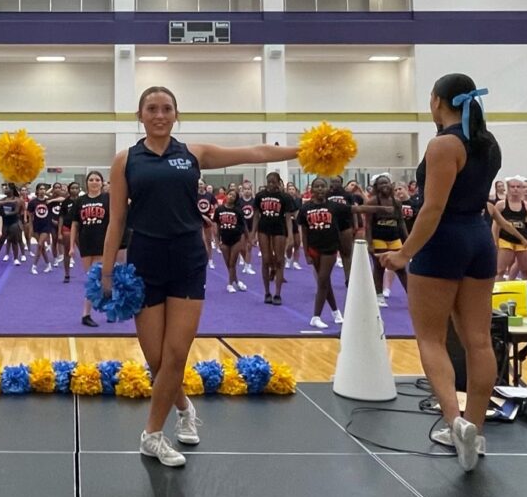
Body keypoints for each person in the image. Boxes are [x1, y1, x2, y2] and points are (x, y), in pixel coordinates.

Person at [100, 86, 303, 468]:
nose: (159, 115)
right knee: (158, 360)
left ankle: (152, 435)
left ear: (177, 114)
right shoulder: (125, 159)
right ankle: (184, 408)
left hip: (188, 258)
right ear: (139, 115)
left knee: (177, 353)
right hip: (144, 261)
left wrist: (302, 152)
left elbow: (256, 153)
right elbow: (117, 221)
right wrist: (107, 271)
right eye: (151, 108)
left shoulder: (193, 154)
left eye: (167, 108)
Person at [380, 73, 502, 472]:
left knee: (431, 339)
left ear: (437, 101)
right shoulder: (488, 143)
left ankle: (454, 422)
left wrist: (402, 255)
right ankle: (477, 428)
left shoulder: (443, 144)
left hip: (444, 241)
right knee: (479, 341)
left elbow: (432, 209)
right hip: (480, 239)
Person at [298, 177, 350, 328]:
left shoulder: (333, 206)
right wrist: (306, 253)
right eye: (317, 186)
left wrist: (380, 209)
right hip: (314, 249)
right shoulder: (305, 208)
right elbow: (305, 233)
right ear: (312, 190)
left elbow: (355, 209)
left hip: (330, 248)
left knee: (322, 280)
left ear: (327, 189)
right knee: (325, 282)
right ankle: (336, 312)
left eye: (323, 186)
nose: (320, 189)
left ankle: (316, 316)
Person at [71, 170, 116, 327]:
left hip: (102, 243)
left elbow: (114, 222)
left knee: (99, 278)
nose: (94, 182)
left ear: (102, 182)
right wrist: (71, 246)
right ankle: (95, 312)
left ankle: (88, 313)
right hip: (85, 244)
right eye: (91, 179)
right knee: (92, 279)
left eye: (97, 179)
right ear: (87, 182)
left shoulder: (108, 199)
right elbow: (75, 224)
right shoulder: (80, 201)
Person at [366, 174, 408, 306]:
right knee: (379, 267)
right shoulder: (372, 202)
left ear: (391, 185)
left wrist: (406, 240)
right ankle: (378, 295)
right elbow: (368, 224)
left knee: (400, 267)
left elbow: (401, 222)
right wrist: (370, 243)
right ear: (376, 187)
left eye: (386, 183)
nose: (384, 186)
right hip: (378, 239)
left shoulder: (396, 202)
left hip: (394, 238)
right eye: (381, 184)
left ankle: (411, 294)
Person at [253, 172, 294, 305]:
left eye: (273, 182)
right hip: (263, 228)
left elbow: (288, 218)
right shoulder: (260, 196)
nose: (271, 184)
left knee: (279, 259)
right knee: (265, 260)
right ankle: (267, 292)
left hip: (279, 228)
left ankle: (277, 293)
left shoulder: (284, 197)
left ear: (278, 182)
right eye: (269, 182)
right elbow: (256, 215)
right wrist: (252, 233)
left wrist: (291, 235)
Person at [214, 189, 248, 293]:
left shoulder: (238, 210)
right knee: (228, 263)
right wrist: (216, 240)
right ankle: (236, 282)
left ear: (235, 199)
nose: (230, 197)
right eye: (229, 195)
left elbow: (244, 225)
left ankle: (229, 284)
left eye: (233, 196)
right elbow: (217, 226)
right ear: (226, 195)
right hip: (224, 239)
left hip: (236, 239)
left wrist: (249, 238)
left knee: (232, 262)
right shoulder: (219, 209)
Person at [28, 183, 55, 274]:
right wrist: (31, 228)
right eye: (40, 189)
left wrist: (48, 196)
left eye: (44, 189)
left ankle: (34, 266)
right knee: (42, 247)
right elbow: (30, 216)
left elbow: (62, 198)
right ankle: (48, 264)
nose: (42, 191)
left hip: (46, 226)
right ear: (37, 191)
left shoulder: (49, 201)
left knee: (39, 245)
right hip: (36, 225)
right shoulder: (33, 202)